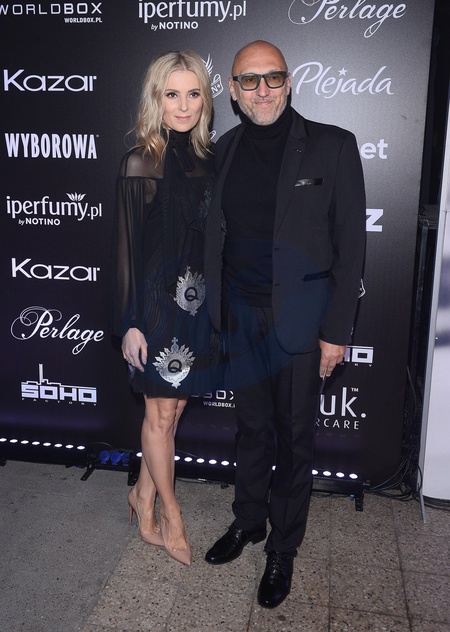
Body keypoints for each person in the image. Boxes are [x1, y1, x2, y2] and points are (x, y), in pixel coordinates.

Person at [204, 41, 366, 606]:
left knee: (295, 438)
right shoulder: (222, 151)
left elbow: (351, 248)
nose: (262, 91)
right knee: (251, 428)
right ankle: (248, 520)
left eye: (272, 78)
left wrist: (337, 332)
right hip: (239, 316)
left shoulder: (333, 146)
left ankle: (283, 546)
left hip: (300, 321)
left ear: (289, 82)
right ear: (233, 90)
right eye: (249, 81)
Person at [111, 50, 215, 566]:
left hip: (195, 305)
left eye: (193, 93)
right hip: (153, 307)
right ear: (156, 98)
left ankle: (142, 494)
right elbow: (126, 251)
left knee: (174, 411)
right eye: (172, 94)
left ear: (205, 99)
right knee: (160, 413)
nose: (184, 105)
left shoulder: (210, 161)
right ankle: (171, 513)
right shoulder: (140, 161)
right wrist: (130, 324)